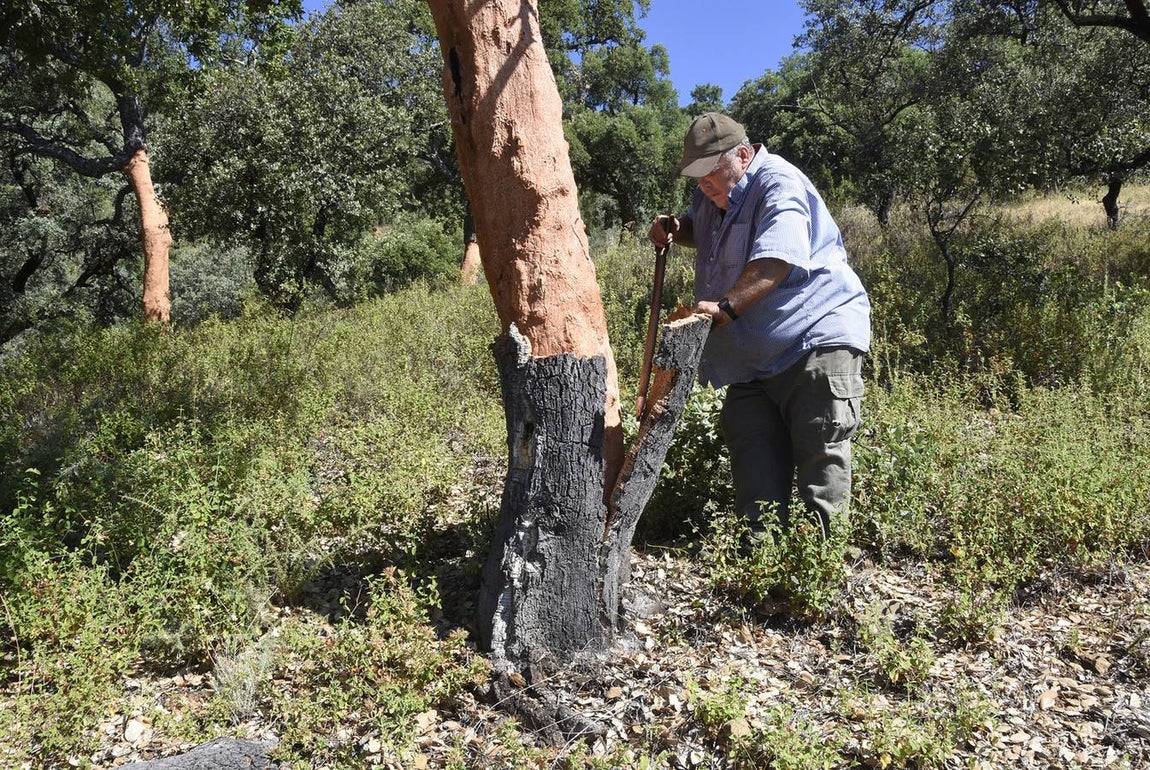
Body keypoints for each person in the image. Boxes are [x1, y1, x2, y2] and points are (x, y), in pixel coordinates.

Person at [648, 112, 871, 540]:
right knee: (752, 454)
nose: (704, 183)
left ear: (744, 155)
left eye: (713, 171)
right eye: (696, 176)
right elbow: (710, 229)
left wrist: (724, 309)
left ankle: (814, 579)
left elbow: (777, 259)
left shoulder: (779, 183)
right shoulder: (712, 195)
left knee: (819, 454)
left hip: (814, 339)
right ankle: (763, 570)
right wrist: (678, 227)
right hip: (752, 358)